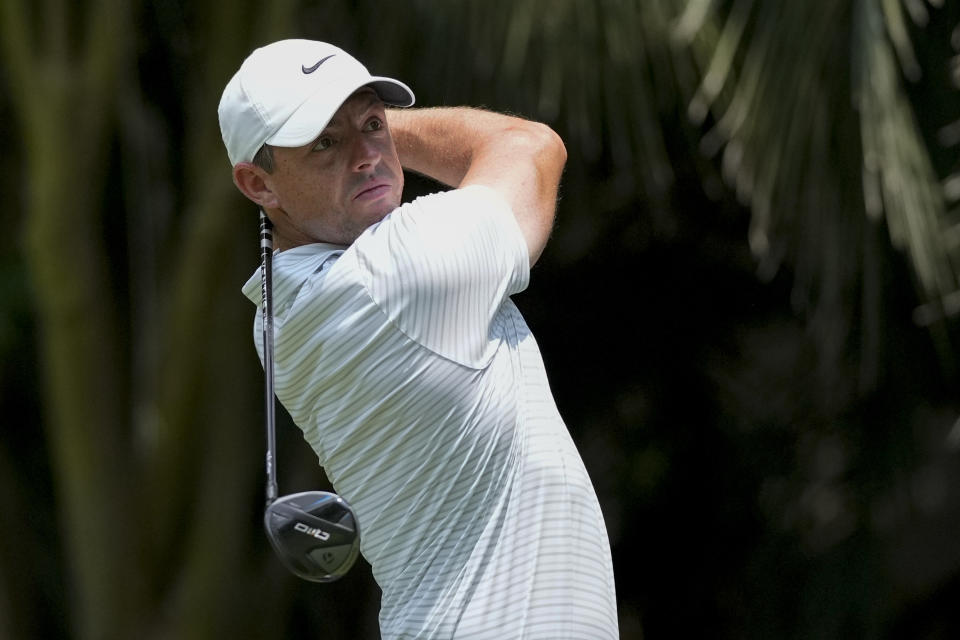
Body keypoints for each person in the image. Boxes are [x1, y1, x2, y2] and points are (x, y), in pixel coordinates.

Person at [219, 39, 618, 639]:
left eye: (373, 124)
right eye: (325, 142)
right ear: (258, 185)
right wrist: (379, 126)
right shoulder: (400, 274)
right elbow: (532, 147)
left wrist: (344, 127)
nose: (367, 155)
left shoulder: (277, 311)